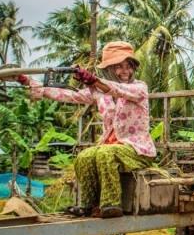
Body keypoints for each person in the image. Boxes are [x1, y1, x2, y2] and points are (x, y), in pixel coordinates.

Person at [15, 41, 155, 218]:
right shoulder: (100, 92)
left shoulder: (139, 88)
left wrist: (93, 80)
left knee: (105, 154)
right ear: (109, 69)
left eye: (128, 66)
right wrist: (28, 82)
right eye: (118, 67)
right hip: (111, 146)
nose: (124, 71)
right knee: (84, 156)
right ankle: (88, 205)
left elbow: (117, 89)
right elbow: (71, 95)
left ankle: (111, 205)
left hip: (137, 150)